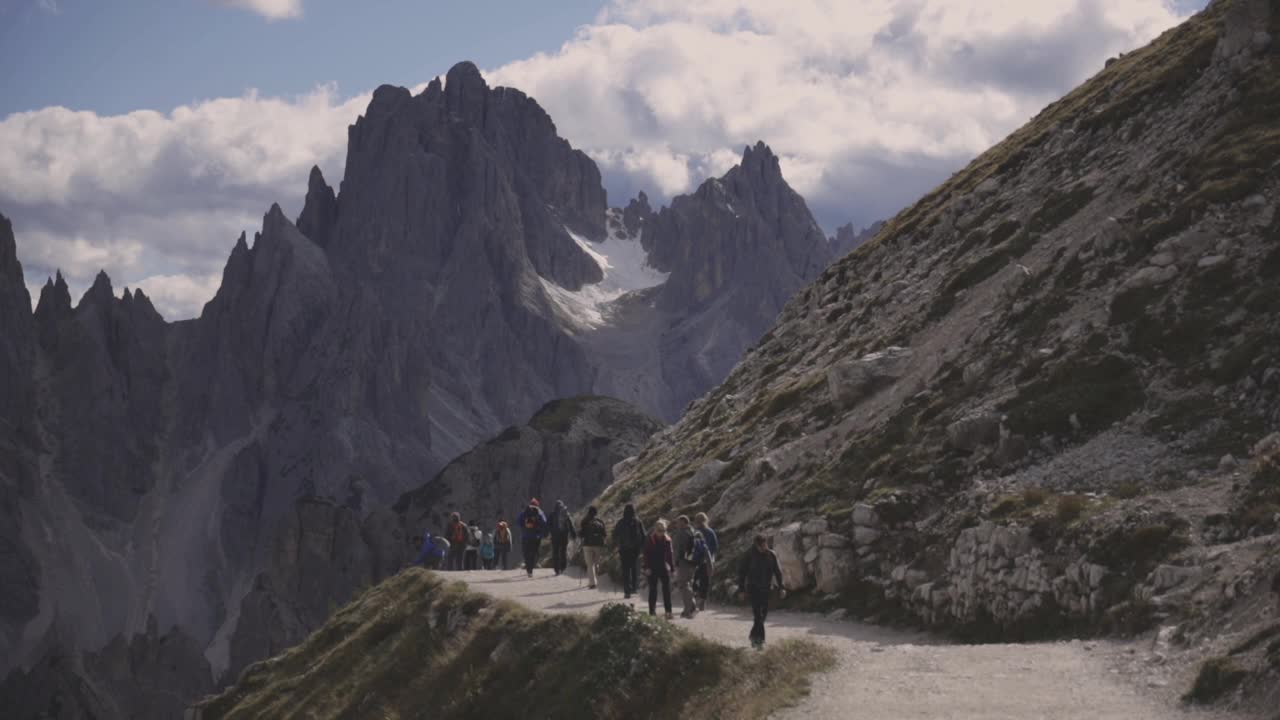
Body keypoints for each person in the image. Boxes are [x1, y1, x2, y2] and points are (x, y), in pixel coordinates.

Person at [736, 533, 786, 650]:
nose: (764, 548)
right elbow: (742, 573)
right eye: (762, 546)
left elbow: (778, 572)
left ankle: (753, 635)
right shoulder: (749, 555)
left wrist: (782, 587)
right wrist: (741, 590)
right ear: (756, 545)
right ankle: (760, 640)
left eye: (766, 545)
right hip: (753, 589)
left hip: (767, 588)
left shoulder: (771, 555)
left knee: (763, 614)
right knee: (757, 614)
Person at [613, 504, 646, 599]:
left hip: (623, 550)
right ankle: (634, 588)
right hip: (635, 550)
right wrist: (642, 548)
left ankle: (627, 591)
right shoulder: (638, 522)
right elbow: (644, 535)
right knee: (634, 568)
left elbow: (614, 535)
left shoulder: (620, 522)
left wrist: (617, 544)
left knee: (625, 570)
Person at [643, 520, 674, 619]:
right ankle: (652, 612)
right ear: (655, 530)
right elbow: (646, 554)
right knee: (653, 590)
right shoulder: (650, 539)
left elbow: (670, 556)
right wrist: (647, 567)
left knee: (667, 591)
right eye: (660, 530)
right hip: (652, 568)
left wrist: (672, 569)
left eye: (664, 530)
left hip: (664, 568)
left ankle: (668, 612)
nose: (662, 532)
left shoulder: (668, 540)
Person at [671, 515, 698, 618]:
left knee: (683, 585)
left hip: (683, 563)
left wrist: (676, 562)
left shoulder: (681, 533)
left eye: (678, 522)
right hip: (693, 562)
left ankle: (689, 609)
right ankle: (692, 605)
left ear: (683, 522)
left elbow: (677, 549)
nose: (676, 524)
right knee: (688, 583)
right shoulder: (693, 532)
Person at [693, 512, 719, 611]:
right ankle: (702, 599)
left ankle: (696, 596)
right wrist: (710, 555)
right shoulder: (710, 532)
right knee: (705, 581)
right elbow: (715, 547)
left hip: (696, 560)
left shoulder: (694, 532)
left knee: (693, 580)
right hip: (707, 560)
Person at [517, 499, 548, 577]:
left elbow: (518, 521)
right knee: (534, 552)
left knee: (526, 553)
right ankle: (532, 566)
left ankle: (529, 570)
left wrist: (524, 528)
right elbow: (544, 523)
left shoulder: (525, 512)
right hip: (536, 537)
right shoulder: (539, 512)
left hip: (525, 536)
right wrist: (542, 533)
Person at [580, 506, 608, 589]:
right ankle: (597, 578)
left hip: (587, 545)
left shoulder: (584, 521)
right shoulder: (600, 521)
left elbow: (581, 533)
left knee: (590, 564)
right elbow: (604, 534)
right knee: (596, 563)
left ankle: (592, 583)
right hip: (598, 545)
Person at [548, 500, 578, 576]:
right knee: (563, 551)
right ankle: (563, 568)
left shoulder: (552, 514)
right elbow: (570, 524)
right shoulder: (566, 514)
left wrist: (548, 533)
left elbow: (548, 525)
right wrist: (573, 534)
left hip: (555, 536)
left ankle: (556, 570)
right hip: (564, 536)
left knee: (555, 552)